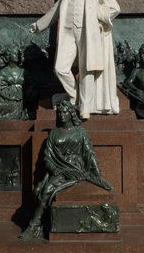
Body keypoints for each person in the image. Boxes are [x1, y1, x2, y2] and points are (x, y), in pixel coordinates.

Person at [29, 0, 120, 119]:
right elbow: (54, 11)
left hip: (88, 33)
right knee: (60, 68)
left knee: (87, 70)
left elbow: (115, 8)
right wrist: (38, 25)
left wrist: (95, 11)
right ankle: (75, 95)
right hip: (69, 33)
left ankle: (85, 107)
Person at [19, 100, 113, 239]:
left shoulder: (80, 132)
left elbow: (89, 154)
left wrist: (97, 174)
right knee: (45, 191)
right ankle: (34, 224)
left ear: (71, 114)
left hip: (76, 169)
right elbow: (47, 157)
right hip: (60, 170)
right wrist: (54, 168)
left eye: (65, 112)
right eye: (59, 112)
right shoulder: (54, 133)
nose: (62, 115)